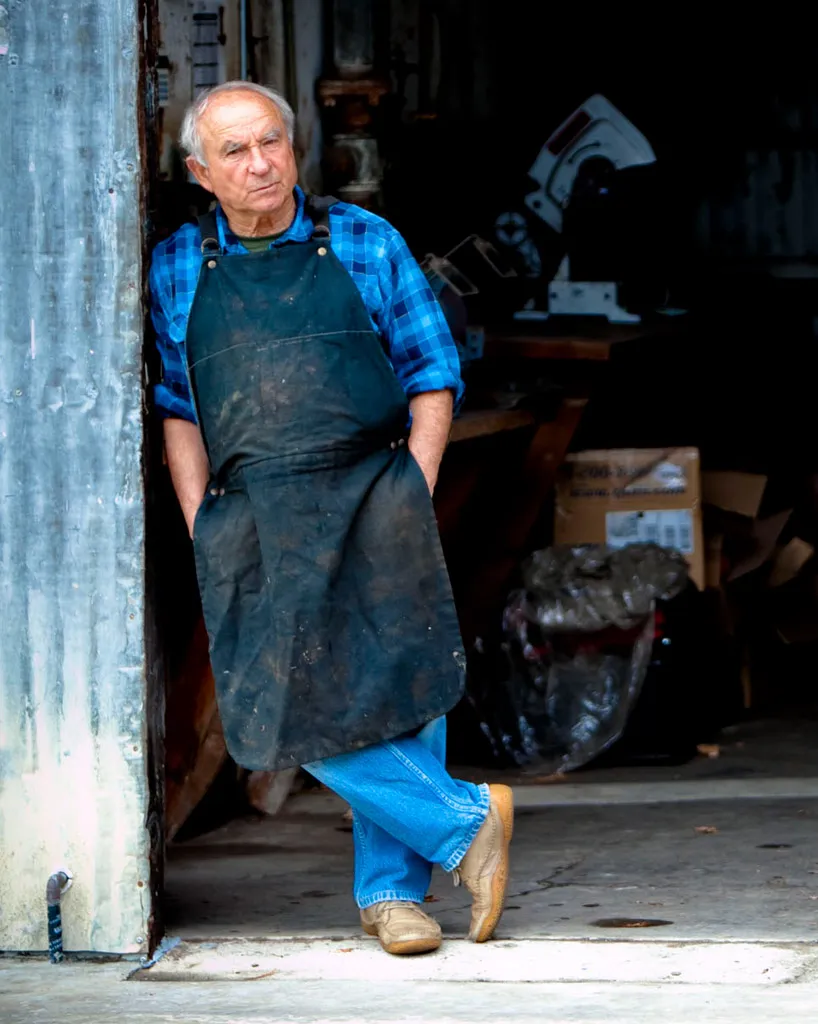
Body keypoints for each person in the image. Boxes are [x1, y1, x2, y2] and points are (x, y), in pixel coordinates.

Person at [150, 80, 513, 956]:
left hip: (371, 493)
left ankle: (393, 899)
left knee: (403, 684)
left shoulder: (362, 239)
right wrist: (200, 518)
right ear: (201, 172)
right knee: (271, 707)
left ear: (296, 146)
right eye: (234, 151)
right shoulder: (174, 264)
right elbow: (179, 408)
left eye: (271, 141)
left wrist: (412, 488)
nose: (259, 163)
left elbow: (432, 373)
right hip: (256, 515)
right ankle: (465, 823)